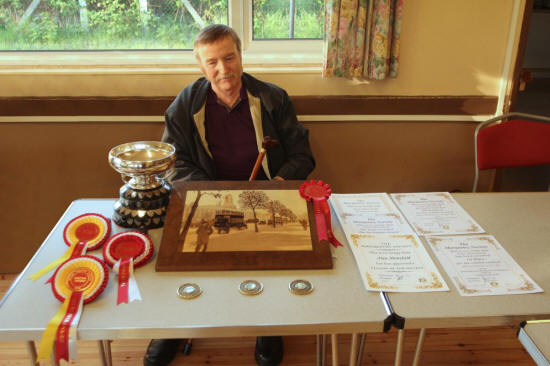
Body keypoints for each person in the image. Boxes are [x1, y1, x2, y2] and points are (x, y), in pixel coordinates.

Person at [143, 24, 315, 366]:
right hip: (208, 197)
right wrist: (212, 194)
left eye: (229, 57)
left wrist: (277, 182)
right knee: (181, 253)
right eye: (213, 62)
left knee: (270, 257)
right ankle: (174, 324)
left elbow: (303, 156)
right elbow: (176, 162)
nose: (224, 70)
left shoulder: (273, 98)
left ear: (240, 55)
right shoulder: (184, 106)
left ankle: (269, 324)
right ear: (200, 65)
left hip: (266, 196)